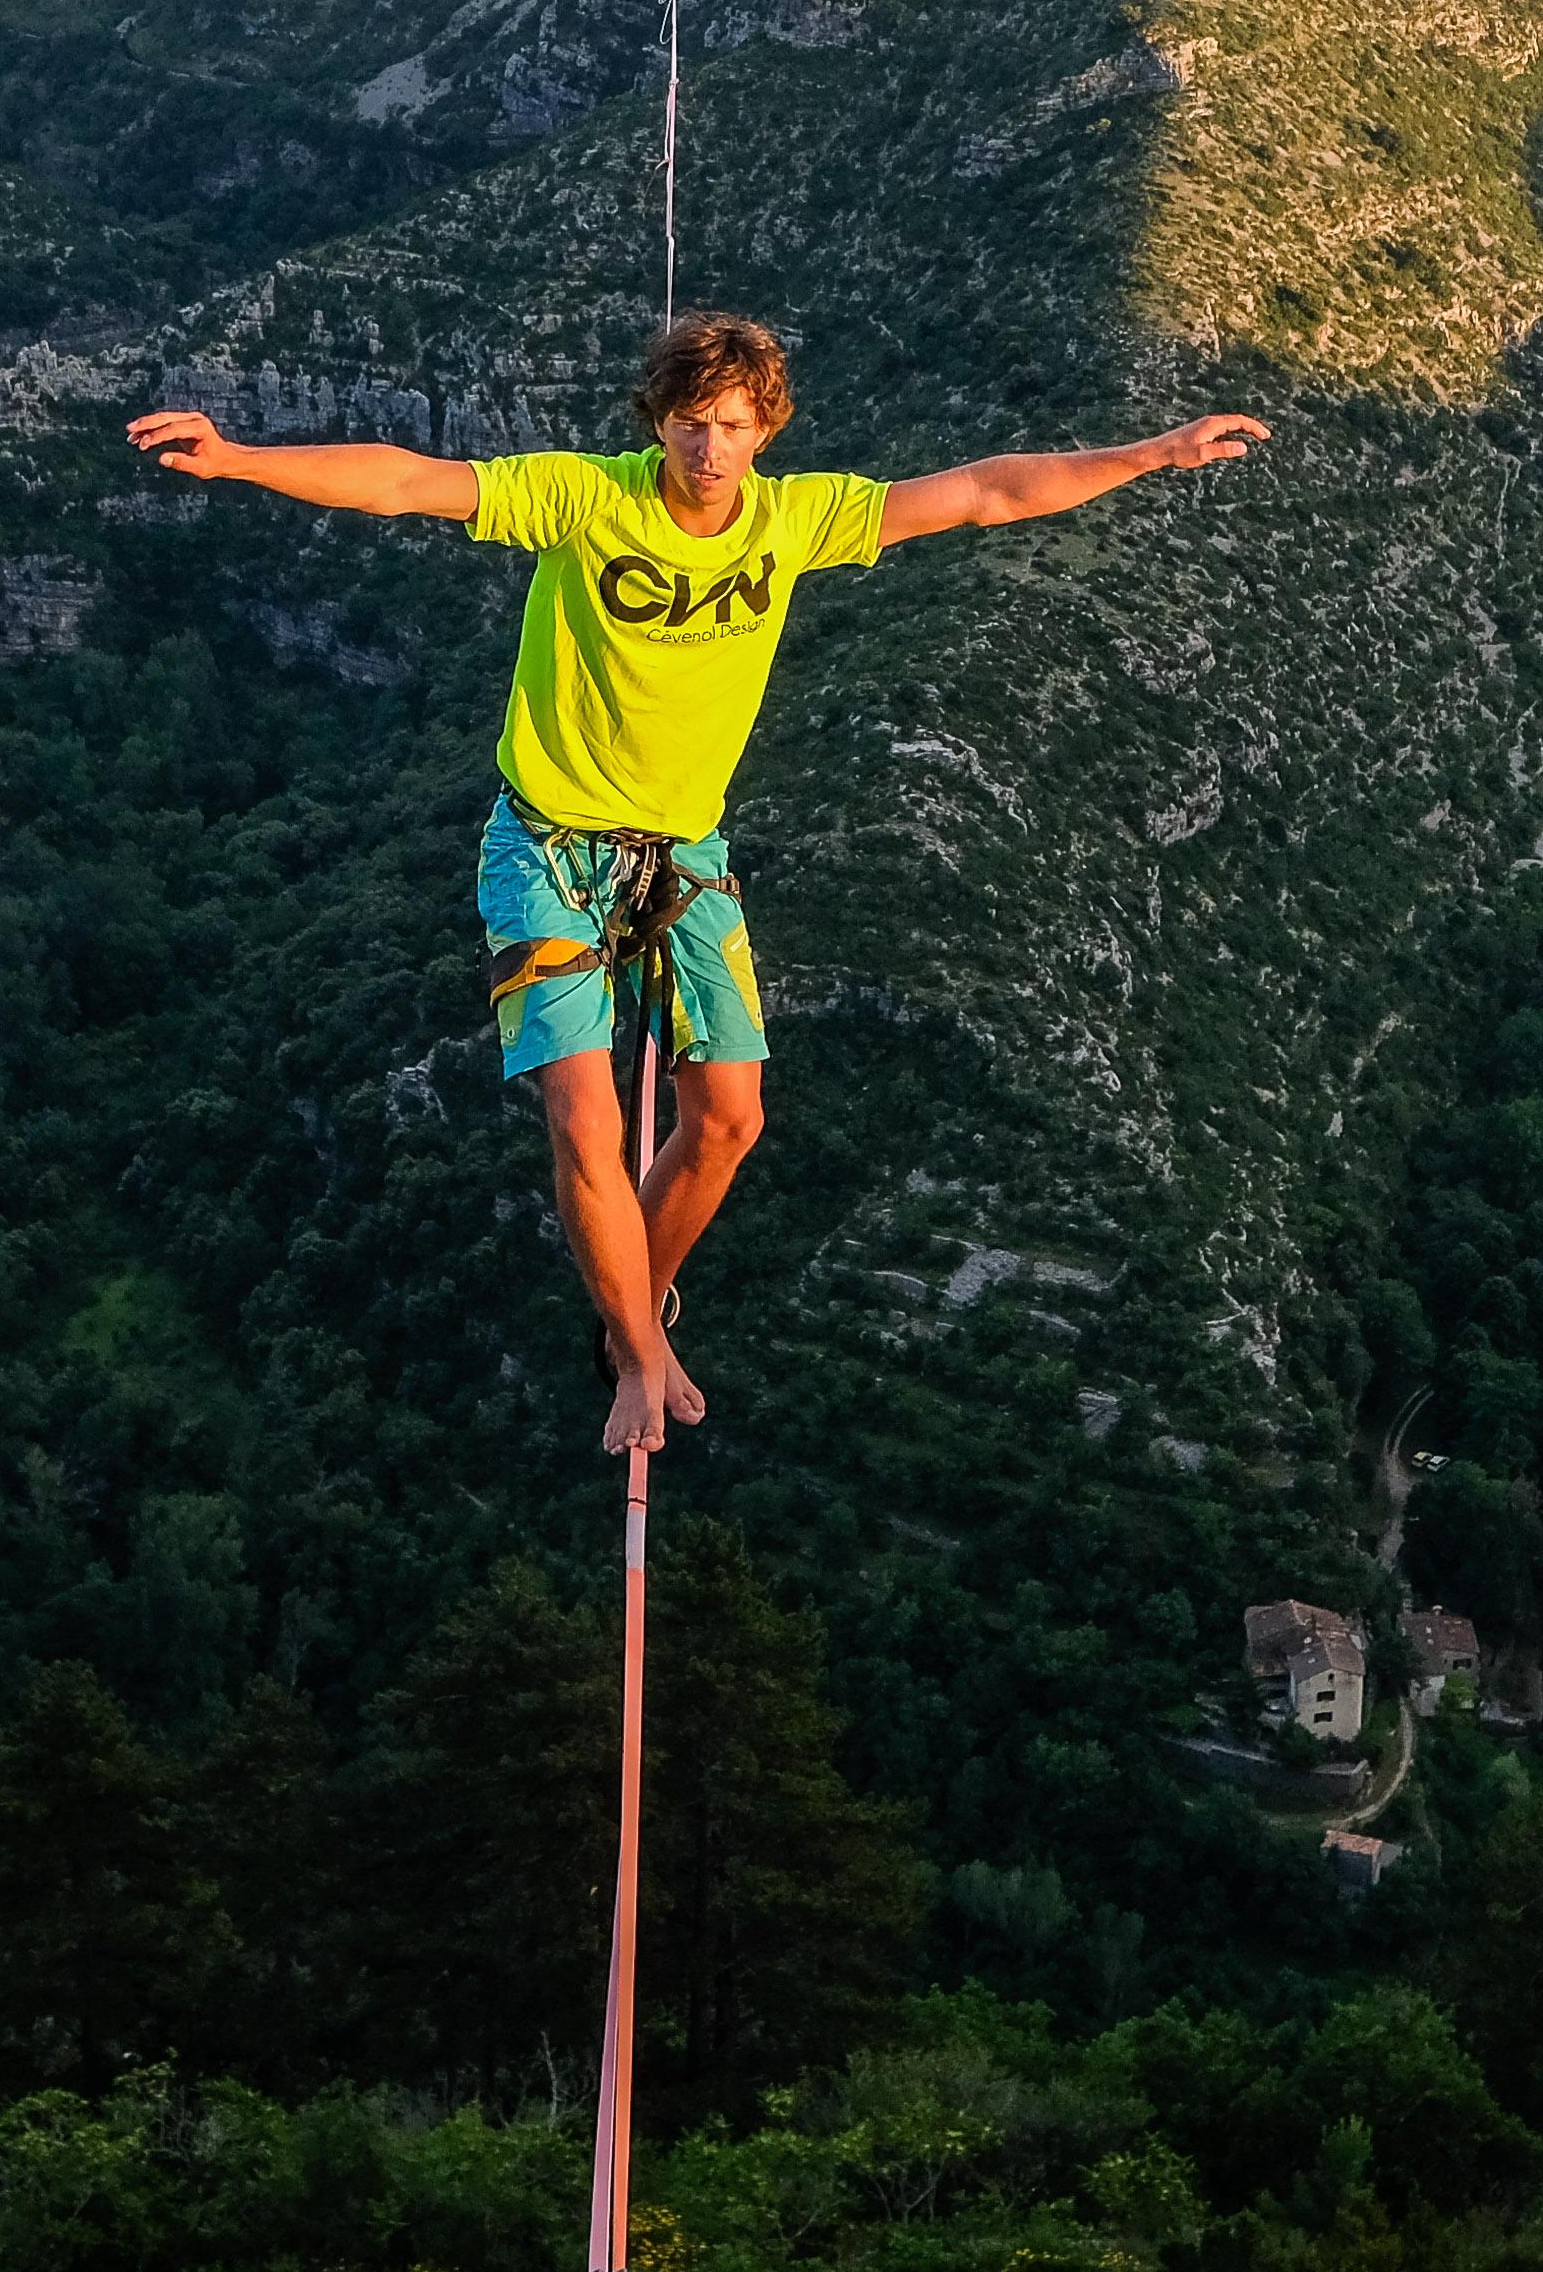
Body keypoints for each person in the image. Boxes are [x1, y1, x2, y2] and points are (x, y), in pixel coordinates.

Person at [131, 314, 1264, 1453]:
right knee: (585, 1118)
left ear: (765, 426)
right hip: (547, 846)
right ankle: (634, 1351)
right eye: (688, 423)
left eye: (730, 426)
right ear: (657, 421)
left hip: (685, 856)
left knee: (729, 1117)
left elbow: (982, 493)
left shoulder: (793, 519)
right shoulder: (589, 499)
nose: (708, 449)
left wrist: (1152, 452)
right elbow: (413, 480)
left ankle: (634, 1303)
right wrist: (240, 459)